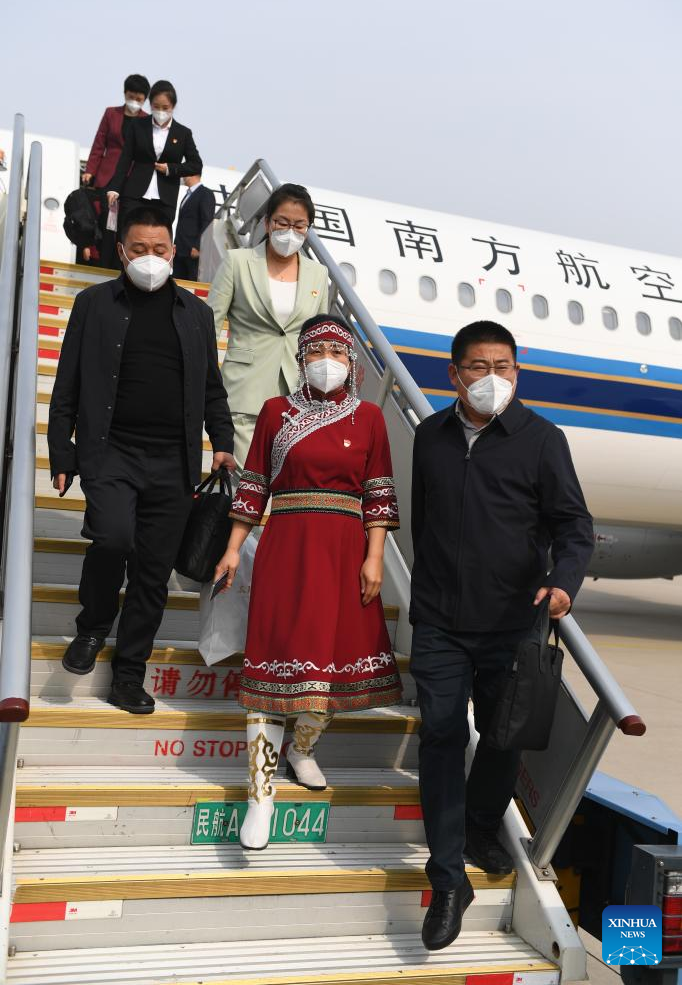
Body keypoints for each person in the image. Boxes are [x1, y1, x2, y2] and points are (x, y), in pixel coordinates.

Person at [409, 320, 594, 951]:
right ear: (453, 374)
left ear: (518, 372)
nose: (493, 379)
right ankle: (447, 878)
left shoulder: (542, 440)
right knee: (440, 734)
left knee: (502, 735)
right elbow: (426, 521)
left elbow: (574, 525)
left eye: (505, 367)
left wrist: (564, 582)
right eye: (479, 367)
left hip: (513, 619)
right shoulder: (430, 436)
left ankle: (484, 820)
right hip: (438, 620)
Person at [214, 315, 403, 850]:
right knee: (273, 666)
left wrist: (374, 558)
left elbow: (380, 496)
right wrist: (231, 549)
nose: (327, 361)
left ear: (352, 363)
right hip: (286, 550)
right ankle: (260, 794)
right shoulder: (277, 412)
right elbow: (253, 487)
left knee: (325, 668)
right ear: (300, 360)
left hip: (344, 554)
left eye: (338, 353)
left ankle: (301, 749)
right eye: (316, 350)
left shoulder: (369, 418)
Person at [48, 207, 235, 715]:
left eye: (159, 250)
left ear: (173, 252)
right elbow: (67, 383)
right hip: (110, 452)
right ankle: (91, 629)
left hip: (173, 463)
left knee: (153, 574)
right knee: (111, 537)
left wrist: (222, 440)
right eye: (139, 250)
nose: (149, 259)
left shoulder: (195, 314)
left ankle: (129, 674)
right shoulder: (93, 304)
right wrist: (61, 452)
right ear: (121, 251)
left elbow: (212, 390)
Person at [207, 183, 328, 471]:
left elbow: (320, 337)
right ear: (267, 223)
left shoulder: (318, 274)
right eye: (282, 222)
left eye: (300, 225)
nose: (290, 231)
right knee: (245, 483)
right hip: (245, 389)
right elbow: (208, 326)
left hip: (297, 396)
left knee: (286, 483)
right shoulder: (239, 262)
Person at [107, 80, 202, 230]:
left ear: (173, 107)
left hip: (165, 199)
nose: (160, 111)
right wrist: (115, 188)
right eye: (156, 107)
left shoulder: (183, 133)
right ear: (150, 104)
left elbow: (196, 165)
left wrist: (170, 168)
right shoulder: (137, 126)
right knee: (129, 237)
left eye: (165, 108)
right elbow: (125, 159)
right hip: (134, 195)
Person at [82, 74, 150, 269]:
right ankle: (97, 259)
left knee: (125, 223)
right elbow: (99, 143)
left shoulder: (147, 120)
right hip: (106, 175)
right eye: (131, 97)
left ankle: (119, 264)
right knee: (103, 220)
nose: (134, 102)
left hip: (132, 179)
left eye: (139, 99)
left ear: (144, 99)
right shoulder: (111, 113)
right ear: (124, 93)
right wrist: (90, 170)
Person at [173, 174, 216, 281]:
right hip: (180, 248)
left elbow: (207, 221)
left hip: (193, 250)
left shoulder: (205, 193)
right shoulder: (188, 194)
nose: (182, 175)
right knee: (177, 282)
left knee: (191, 282)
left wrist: (198, 246)